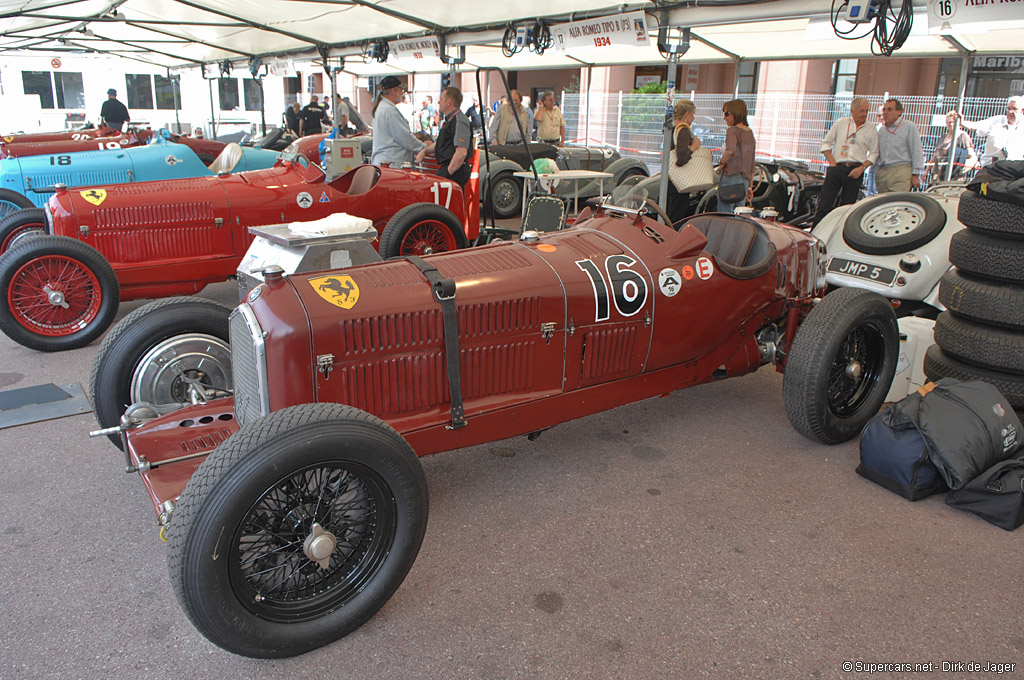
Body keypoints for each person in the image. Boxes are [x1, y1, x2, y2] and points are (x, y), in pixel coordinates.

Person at [813, 97, 878, 224]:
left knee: (847, 208)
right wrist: (832, 162)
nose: (864, 114)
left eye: (866, 111)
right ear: (852, 111)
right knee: (825, 204)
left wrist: (861, 168)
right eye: (861, 111)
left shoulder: (871, 128)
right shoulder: (841, 123)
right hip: (837, 168)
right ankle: (815, 233)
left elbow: (874, 153)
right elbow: (825, 144)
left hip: (856, 170)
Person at [370, 75, 428, 167]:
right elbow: (404, 137)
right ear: (394, 91)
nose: (402, 93)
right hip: (391, 163)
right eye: (401, 90)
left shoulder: (383, 107)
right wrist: (424, 147)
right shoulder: (389, 111)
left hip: (386, 162)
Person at [954, 96, 1023, 166]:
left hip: (1013, 169)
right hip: (991, 168)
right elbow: (975, 125)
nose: (1010, 112)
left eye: (1014, 109)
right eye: (1008, 108)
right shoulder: (997, 121)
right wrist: (962, 122)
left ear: (1022, 111)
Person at [875, 98, 923, 193]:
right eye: (884, 110)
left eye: (890, 109)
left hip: (901, 170)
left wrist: (915, 174)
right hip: (883, 171)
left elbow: (916, 151)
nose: (885, 113)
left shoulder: (909, 127)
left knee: (896, 203)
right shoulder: (881, 130)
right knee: (882, 205)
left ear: (899, 112)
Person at [667, 99, 702, 225]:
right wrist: (694, 146)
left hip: (671, 178)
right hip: (681, 181)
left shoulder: (670, 128)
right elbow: (681, 158)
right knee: (677, 217)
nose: (693, 119)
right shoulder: (683, 131)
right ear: (687, 114)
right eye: (692, 115)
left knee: (669, 214)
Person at [717, 99, 756, 214]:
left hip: (730, 177)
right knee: (739, 214)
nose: (725, 117)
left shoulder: (732, 130)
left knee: (726, 213)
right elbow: (752, 162)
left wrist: (721, 162)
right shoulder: (749, 132)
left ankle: (727, 232)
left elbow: (730, 151)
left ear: (736, 113)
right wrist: (750, 186)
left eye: (727, 113)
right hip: (744, 181)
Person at [432, 86, 473, 188]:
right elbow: (441, 143)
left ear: (449, 102)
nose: (438, 102)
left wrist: (447, 173)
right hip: (450, 169)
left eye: (441, 99)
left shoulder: (459, 120)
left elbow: (461, 152)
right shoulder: (450, 120)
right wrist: (424, 150)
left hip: (455, 172)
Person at [928, 111, 979, 182]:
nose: (951, 124)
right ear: (946, 123)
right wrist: (927, 171)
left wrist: (951, 152)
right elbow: (935, 155)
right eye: (949, 122)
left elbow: (970, 154)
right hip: (938, 173)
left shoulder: (963, 136)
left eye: (953, 122)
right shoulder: (943, 136)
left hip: (954, 173)